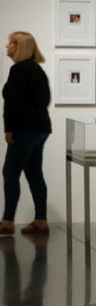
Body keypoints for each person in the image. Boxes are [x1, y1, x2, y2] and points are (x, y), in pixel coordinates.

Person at [1, 31, 52, 235]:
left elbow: (14, 103)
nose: (7, 46)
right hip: (40, 128)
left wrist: (9, 128)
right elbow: (45, 100)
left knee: (10, 172)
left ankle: (7, 221)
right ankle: (41, 220)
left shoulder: (18, 70)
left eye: (11, 43)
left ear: (20, 47)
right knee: (34, 172)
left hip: (24, 130)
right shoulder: (36, 69)